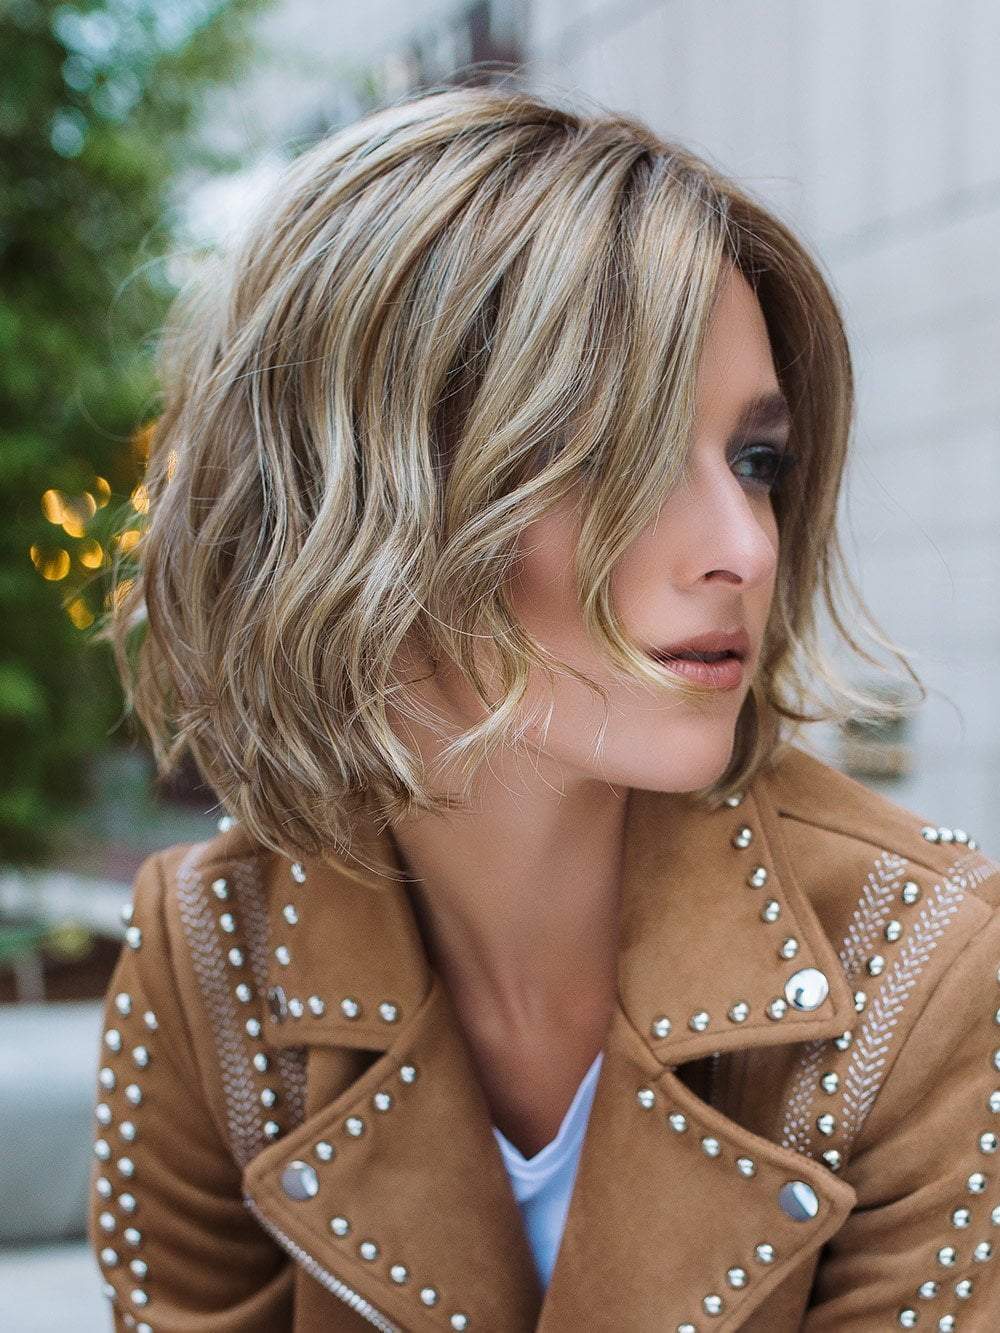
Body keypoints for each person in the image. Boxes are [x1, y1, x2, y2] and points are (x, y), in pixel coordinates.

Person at [86, 83, 1000, 1332]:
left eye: (756, 461)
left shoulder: (921, 966)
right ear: (367, 499)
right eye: (617, 458)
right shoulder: (212, 962)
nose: (744, 546)